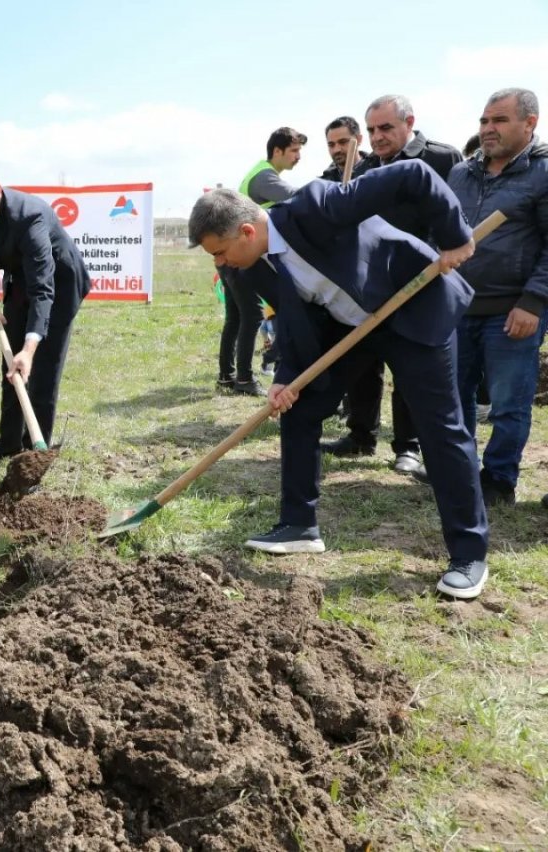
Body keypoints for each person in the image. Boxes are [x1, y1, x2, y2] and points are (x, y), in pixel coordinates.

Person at [189, 162, 489, 600]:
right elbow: (295, 322)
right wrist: (288, 378)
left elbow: (414, 174)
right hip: (352, 329)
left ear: (247, 232)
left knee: (440, 429)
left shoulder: (318, 205)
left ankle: (468, 554)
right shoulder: (250, 267)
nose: (219, 263)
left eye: (219, 252)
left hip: (412, 306)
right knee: (299, 408)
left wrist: (455, 237)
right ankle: (299, 524)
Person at [323, 95, 463, 479]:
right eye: (370, 130)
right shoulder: (366, 167)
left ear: (409, 122)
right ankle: (360, 435)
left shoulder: (442, 159)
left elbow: (457, 215)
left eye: (385, 128)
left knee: (408, 371)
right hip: (372, 288)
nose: (377, 136)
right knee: (364, 365)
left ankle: (408, 448)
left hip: (422, 285)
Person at [448, 88, 548, 507]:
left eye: (500, 121)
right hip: (458, 307)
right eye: (484, 121)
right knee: (456, 396)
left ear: (530, 123)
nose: (488, 129)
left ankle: (500, 479)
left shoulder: (542, 173)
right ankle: (460, 472)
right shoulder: (461, 173)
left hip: (513, 310)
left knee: (509, 403)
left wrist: (534, 301)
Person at [0, 163, 92, 463]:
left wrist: (30, 348)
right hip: (19, 279)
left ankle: (33, 456)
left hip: (59, 283)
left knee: (40, 368)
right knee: (11, 365)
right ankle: (9, 443)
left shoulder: (29, 218)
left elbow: (44, 289)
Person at [220, 128, 307, 397]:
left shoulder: (258, 172)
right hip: (242, 256)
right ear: (277, 151)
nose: (298, 157)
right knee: (252, 314)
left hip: (231, 255)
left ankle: (227, 376)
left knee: (236, 316)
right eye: (294, 151)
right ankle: (244, 379)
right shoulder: (264, 177)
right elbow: (298, 196)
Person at [321, 116, 369, 181]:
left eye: (343, 142)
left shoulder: (377, 172)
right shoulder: (325, 185)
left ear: (359, 139)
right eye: (331, 145)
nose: (336, 150)